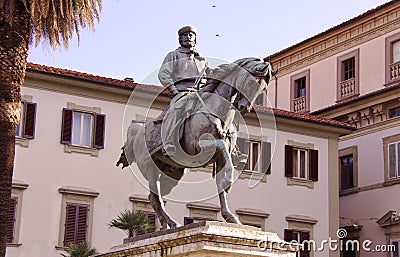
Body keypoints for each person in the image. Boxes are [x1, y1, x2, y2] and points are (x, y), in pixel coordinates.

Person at [158, 26, 211, 157]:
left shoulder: (202, 60)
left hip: (201, 93)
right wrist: (173, 90)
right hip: (182, 91)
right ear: (180, 39)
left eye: (191, 35)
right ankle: (169, 143)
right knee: (177, 110)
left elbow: (211, 75)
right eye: (185, 35)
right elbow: (163, 74)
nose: (188, 37)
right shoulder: (173, 55)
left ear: (195, 39)